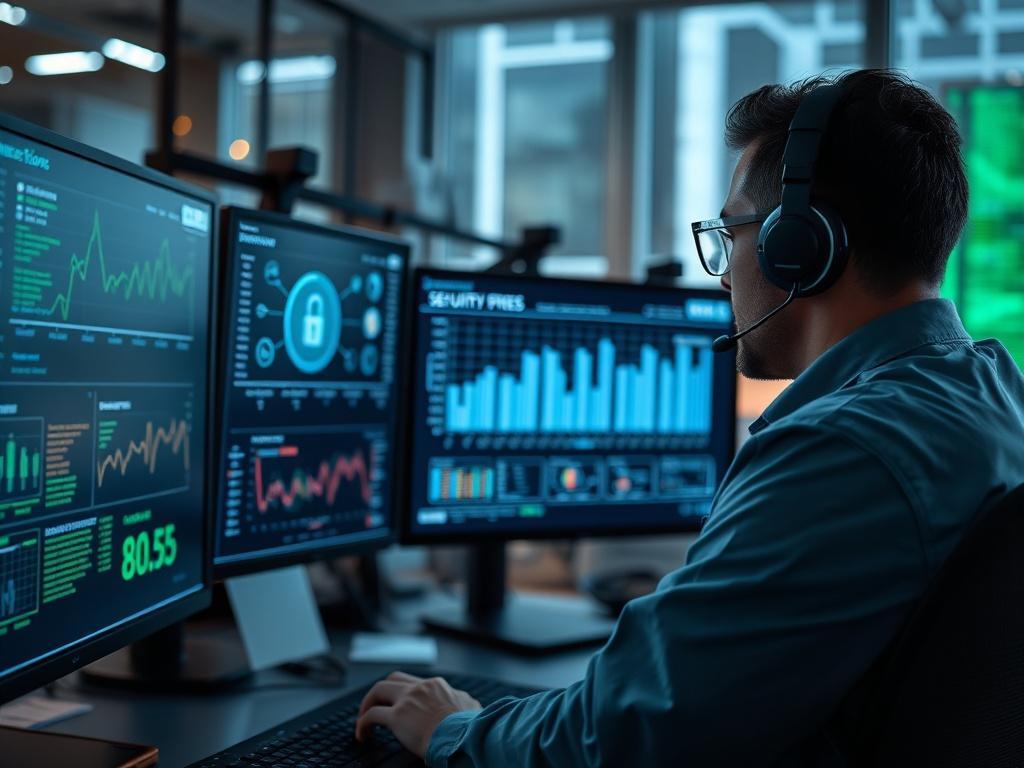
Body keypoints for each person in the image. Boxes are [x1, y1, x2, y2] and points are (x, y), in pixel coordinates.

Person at [354, 69, 1024, 766]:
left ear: (799, 244)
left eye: (730, 232)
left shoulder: (842, 448)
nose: (725, 274)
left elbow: (622, 736)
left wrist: (455, 729)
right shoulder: (991, 391)